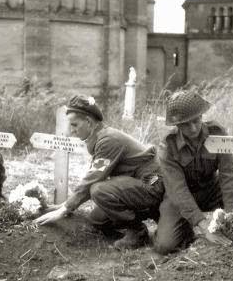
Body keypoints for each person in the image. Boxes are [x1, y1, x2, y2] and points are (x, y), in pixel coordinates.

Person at [33, 95, 164, 250]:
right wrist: (66, 205)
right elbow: (94, 174)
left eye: (74, 125)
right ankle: (142, 216)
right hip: (137, 184)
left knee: (99, 190)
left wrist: (65, 209)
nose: (72, 131)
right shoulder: (99, 137)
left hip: (152, 184)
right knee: (97, 220)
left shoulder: (108, 140)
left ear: (88, 121)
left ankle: (137, 231)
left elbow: (93, 180)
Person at [153, 90, 233, 255]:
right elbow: (178, 191)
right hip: (180, 198)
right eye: (186, 124)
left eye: (196, 121)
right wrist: (202, 225)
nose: (193, 128)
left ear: (202, 116)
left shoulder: (216, 132)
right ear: (177, 125)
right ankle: (185, 230)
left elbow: (228, 175)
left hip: (210, 189)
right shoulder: (167, 147)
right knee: (165, 246)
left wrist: (232, 217)